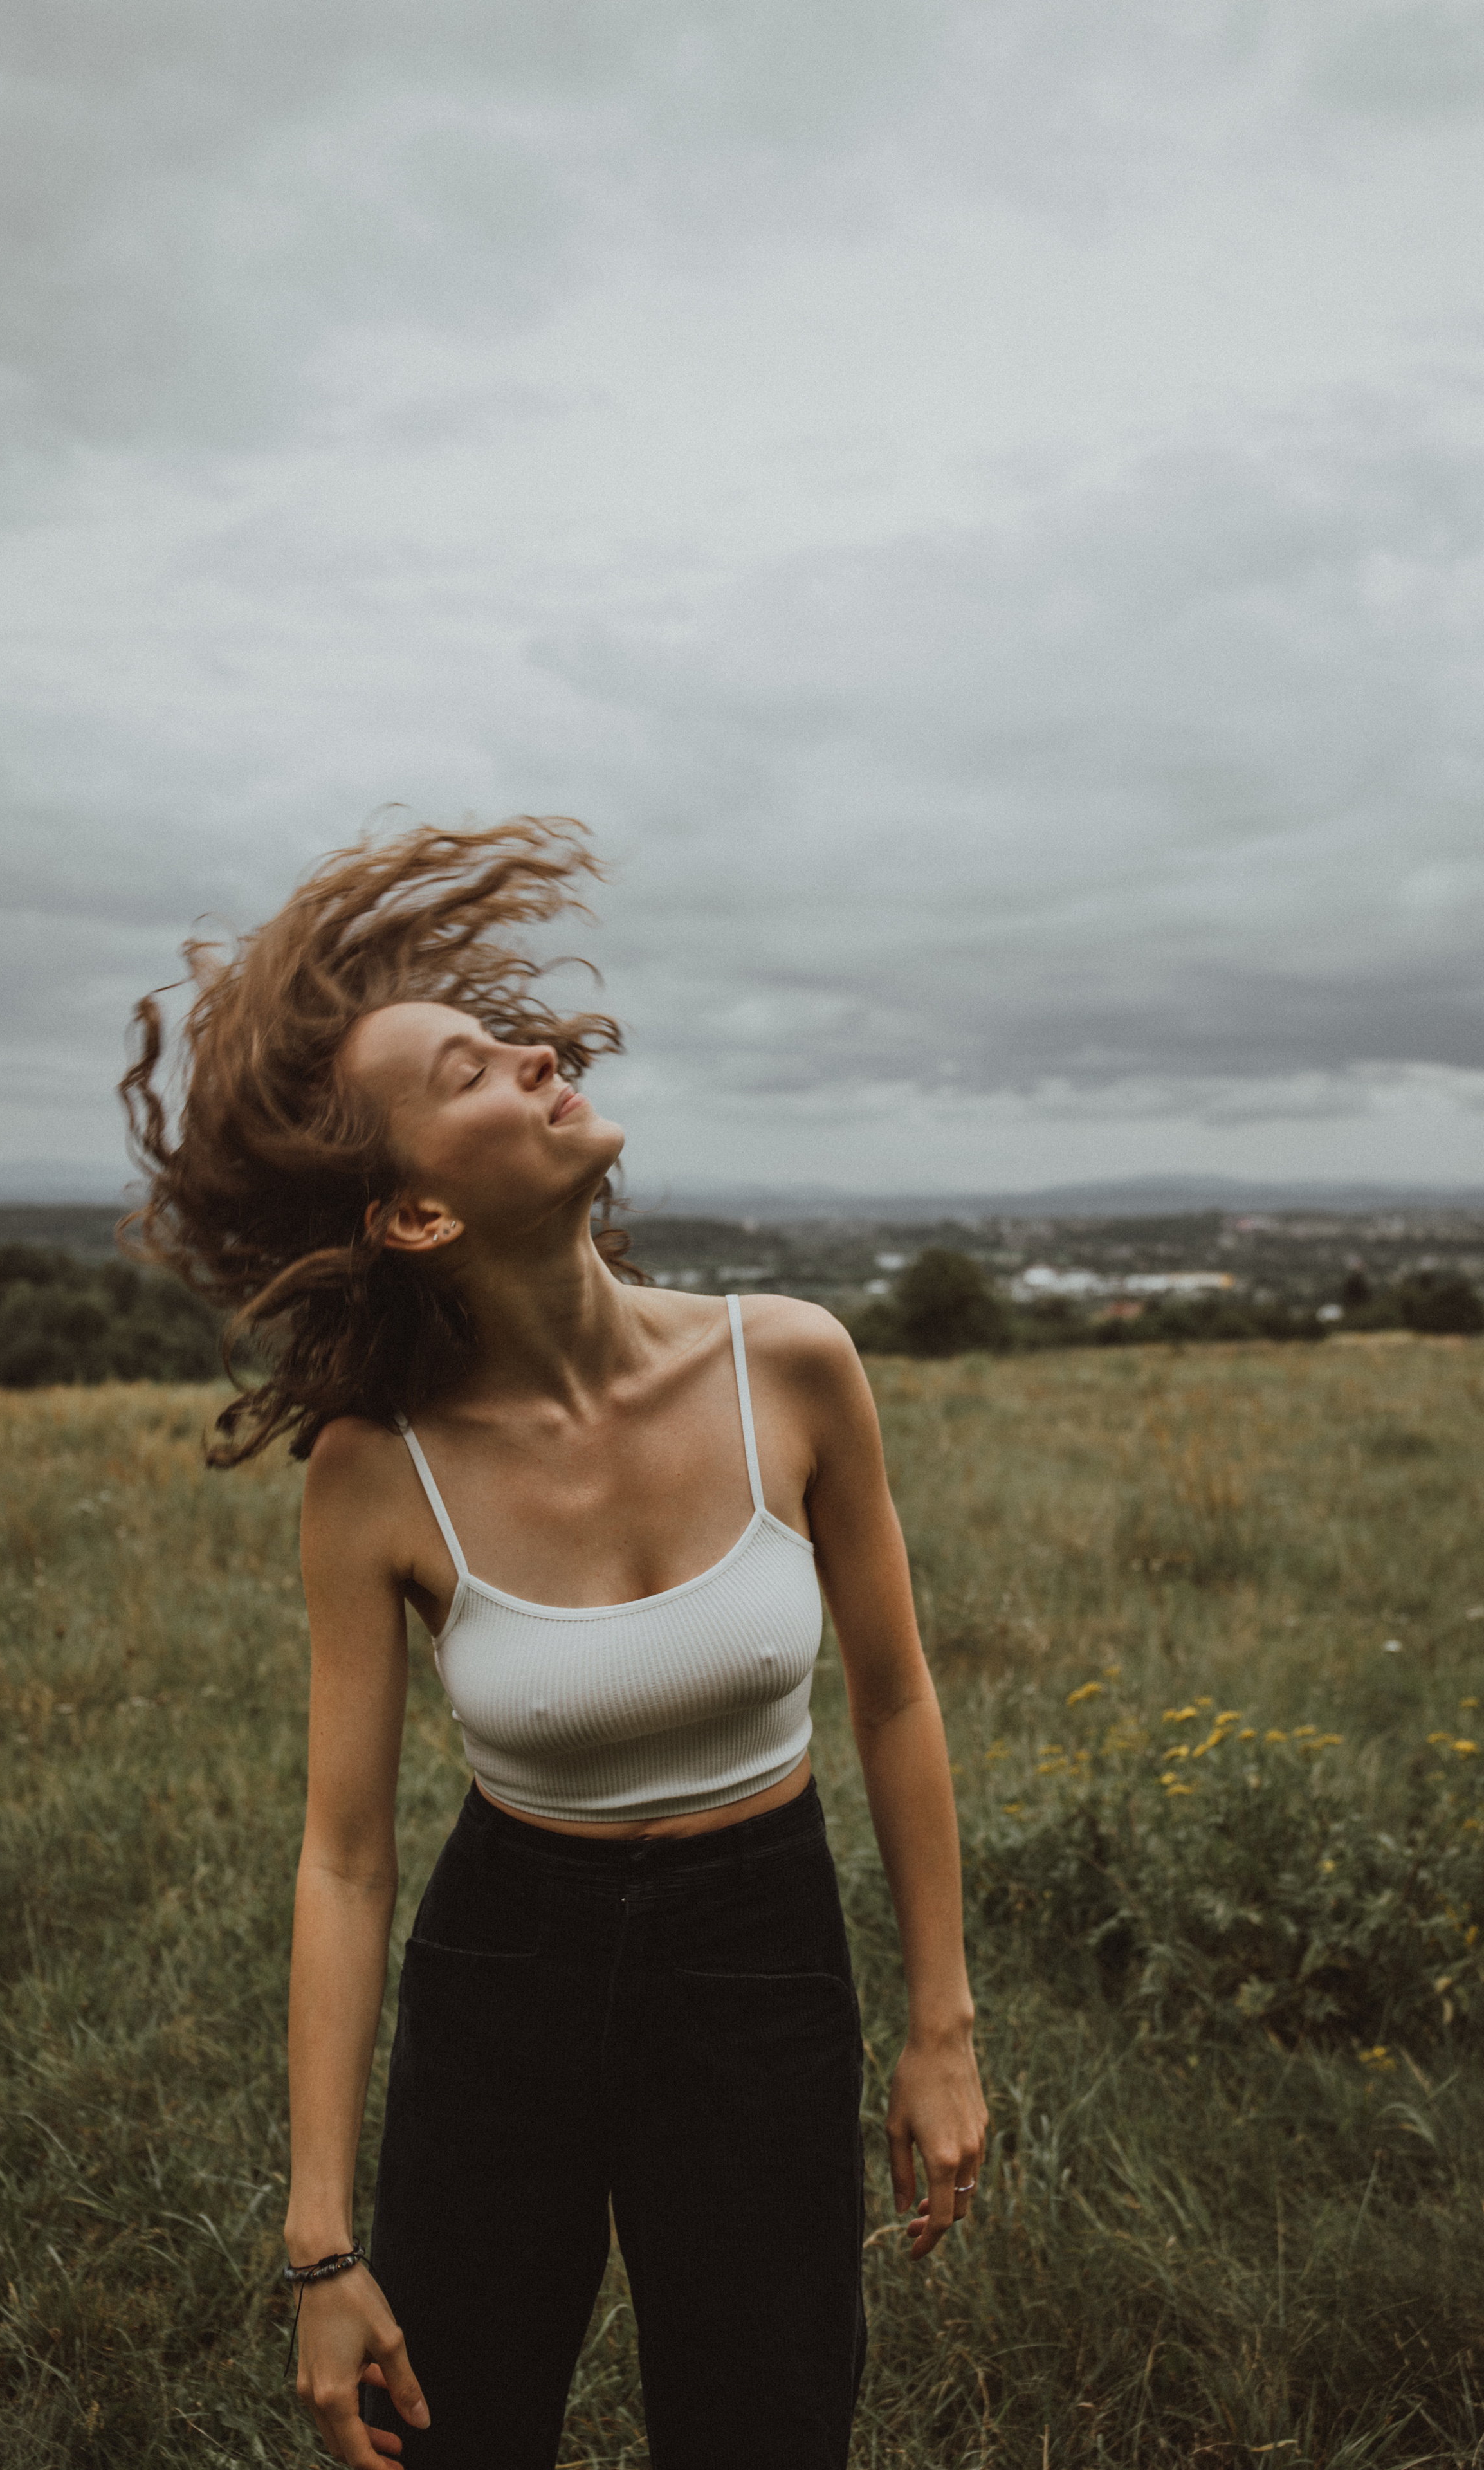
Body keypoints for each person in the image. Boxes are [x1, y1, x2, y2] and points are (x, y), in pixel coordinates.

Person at [121, 819, 987, 2470]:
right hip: (506, 1966)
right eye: (471, 1071)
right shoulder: (380, 1472)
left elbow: (893, 1696)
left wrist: (937, 2026)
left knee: (768, 2425)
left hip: (760, 1948)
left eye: (512, 1039)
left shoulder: (791, 1364)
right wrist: (319, 2240)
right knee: (458, 2430)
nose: (538, 1052)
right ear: (421, 1216)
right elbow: (346, 1860)